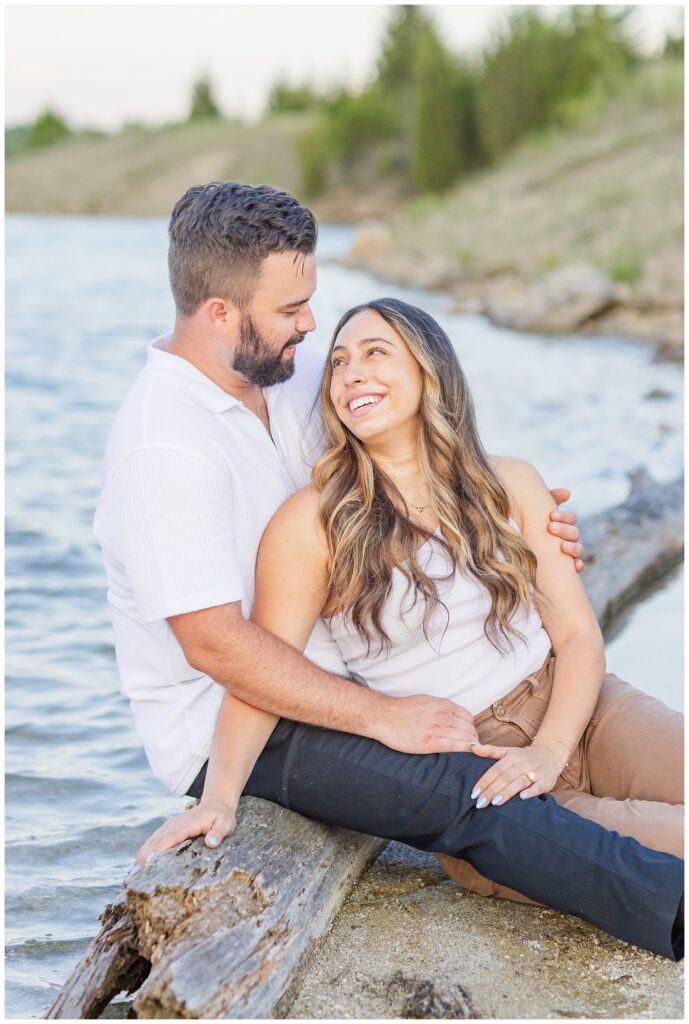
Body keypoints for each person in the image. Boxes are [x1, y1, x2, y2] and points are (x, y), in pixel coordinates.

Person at [96, 182, 683, 961]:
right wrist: (374, 721)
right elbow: (218, 648)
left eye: (316, 310)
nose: (311, 326)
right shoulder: (162, 447)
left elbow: (428, 442)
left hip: (362, 671)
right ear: (219, 315)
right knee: (463, 798)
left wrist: (530, 521)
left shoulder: (297, 373)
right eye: (292, 310)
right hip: (226, 719)